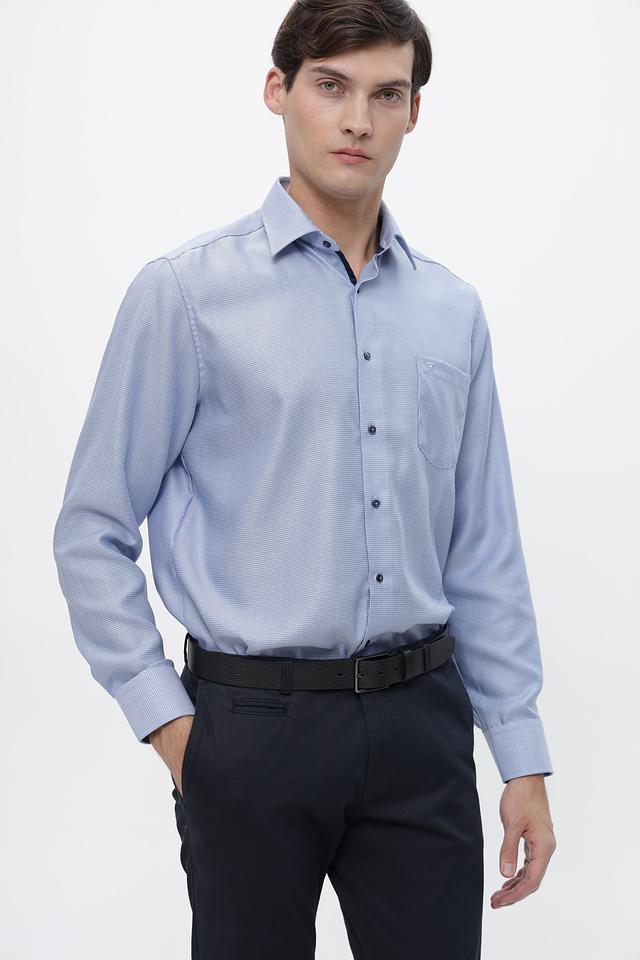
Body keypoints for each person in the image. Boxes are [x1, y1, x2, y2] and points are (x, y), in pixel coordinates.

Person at [52, 0, 557, 956]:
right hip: (251, 729)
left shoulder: (452, 311)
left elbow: (483, 548)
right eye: (331, 87)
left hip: (422, 729)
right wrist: (172, 727)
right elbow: (91, 529)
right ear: (278, 91)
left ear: (415, 112)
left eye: (386, 94)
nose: (358, 121)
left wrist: (520, 753)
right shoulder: (187, 295)